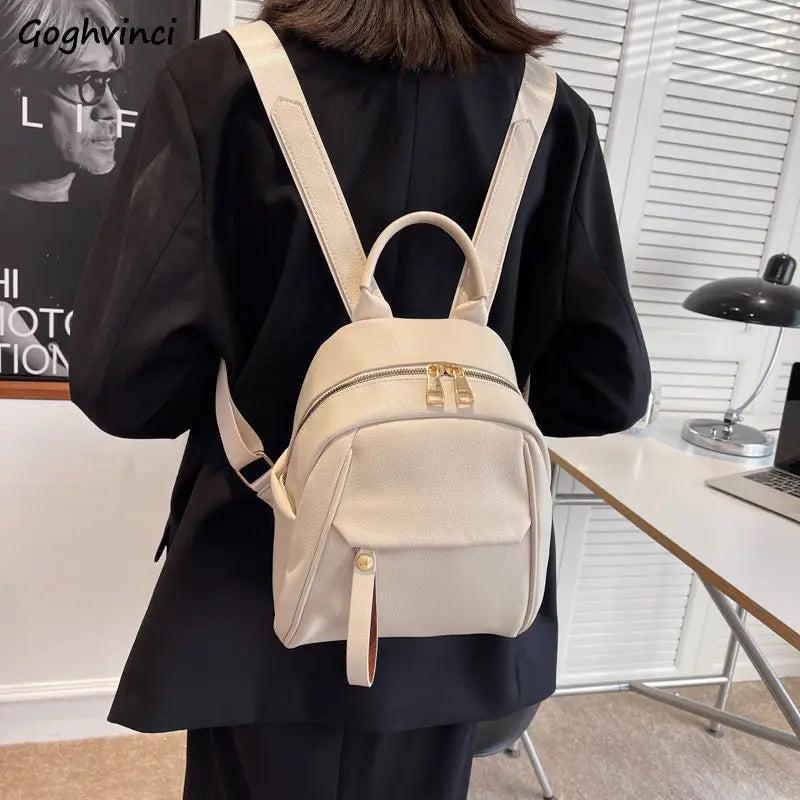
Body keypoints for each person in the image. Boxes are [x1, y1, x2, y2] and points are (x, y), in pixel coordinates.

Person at [68, 0, 652, 797]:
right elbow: (606, 387)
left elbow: (123, 387)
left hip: (259, 577)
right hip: (458, 593)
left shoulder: (220, 85)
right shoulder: (548, 114)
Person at [0, 0, 127, 377]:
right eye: (86, 82)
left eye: (110, 82)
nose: (112, 111)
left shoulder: (134, 218)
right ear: (18, 92)